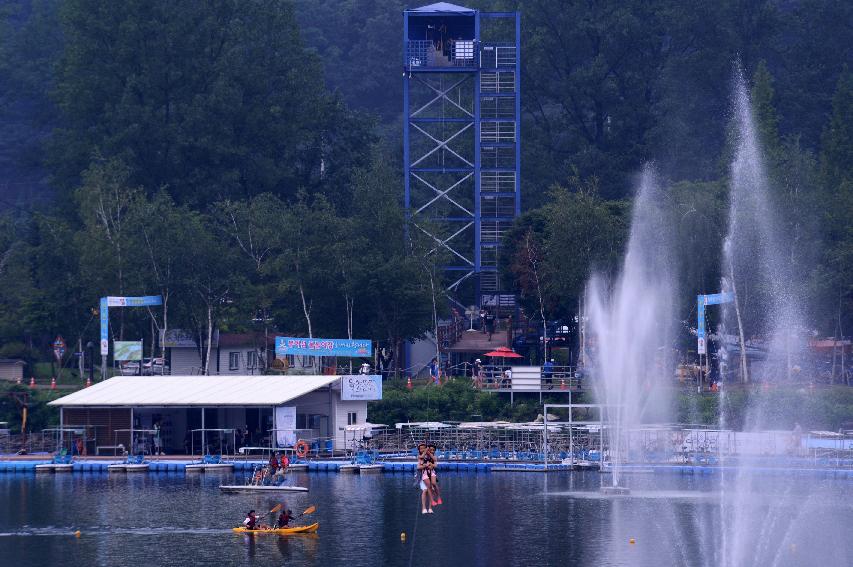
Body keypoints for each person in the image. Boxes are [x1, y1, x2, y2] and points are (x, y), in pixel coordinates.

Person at [417, 443, 433, 514]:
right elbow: (418, 467)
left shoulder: (430, 456)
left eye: (424, 448)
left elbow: (433, 465)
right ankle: (423, 508)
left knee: (430, 491)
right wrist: (425, 466)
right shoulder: (420, 457)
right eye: (421, 449)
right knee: (425, 490)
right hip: (423, 476)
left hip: (430, 475)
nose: (423, 450)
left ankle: (430, 508)